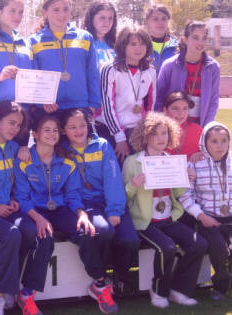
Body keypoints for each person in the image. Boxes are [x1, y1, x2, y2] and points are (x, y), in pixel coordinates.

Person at [14, 114, 118, 314]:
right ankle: (26, 295)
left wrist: (81, 214)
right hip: (35, 211)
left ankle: (99, 284)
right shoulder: (24, 160)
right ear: (34, 134)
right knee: (44, 237)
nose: (52, 134)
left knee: (86, 231)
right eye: (46, 130)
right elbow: (21, 198)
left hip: (61, 209)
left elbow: (72, 194)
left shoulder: (67, 161)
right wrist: (38, 218)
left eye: (55, 130)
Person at [0, 101, 54, 315]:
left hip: (7, 210)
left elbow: (16, 180)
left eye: (18, 125)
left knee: (36, 232)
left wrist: (12, 199)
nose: (15, 129)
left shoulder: (15, 149)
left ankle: (19, 290)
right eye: (11, 123)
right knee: (11, 235)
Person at [123, 112, 208, 308]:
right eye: (155, 134)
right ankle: (159, 290)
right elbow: (124, 198)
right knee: (166, 248)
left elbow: (177, 193)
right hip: (144, 222)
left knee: (199, 244)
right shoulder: (132, 162)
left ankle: (178, 290)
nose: (161, 138)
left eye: (165, 133)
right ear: (145, 137)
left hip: (168, 218)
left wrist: (186, 179)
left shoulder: (172, 160)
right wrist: (134, 185)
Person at [60, 108, 140, 293]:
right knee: (103, 231)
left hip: (111, 202)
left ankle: (120, 276)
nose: (79, 130)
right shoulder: (62, 150)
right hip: (87, 206)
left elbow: (112, 179)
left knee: (130, 241)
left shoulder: (102, 145)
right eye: (72, 127)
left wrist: (114, 210)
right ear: (63, 130)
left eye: (82, 125)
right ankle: (101, 279)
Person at [179, 121, 232, 301]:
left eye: (224, 141)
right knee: (220, 251)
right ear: (204, 143)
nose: (220, 146)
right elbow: (186, 196)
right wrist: (201, 216)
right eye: (214, 141)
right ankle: (220, 286)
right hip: (208, 220)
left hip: (229, 218)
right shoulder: (194, 164)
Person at [95, 26, 156, 165]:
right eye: (133, 44)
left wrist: (145, 130)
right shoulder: (110, 69)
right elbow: (107, 105)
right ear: (123, 45)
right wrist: (119, 137)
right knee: (118, 169)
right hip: (110, 129)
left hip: (137, 130)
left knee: (137, 170)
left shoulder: (150, 71)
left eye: (142, 44)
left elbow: (150, 103)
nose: (138, 48)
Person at [29, 0, 100, 116]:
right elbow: (33, 76)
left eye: (65, 9)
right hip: (49, 110)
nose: (62, 14)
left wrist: (93, 105)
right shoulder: (33, 41)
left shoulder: (85, 38)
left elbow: (93, 74)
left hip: (80, 107)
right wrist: (42, 102)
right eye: (56, 10)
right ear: (45, 12)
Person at [155, 21, 220, 127]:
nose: (200, 42)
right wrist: (162, 125)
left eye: (204, 38)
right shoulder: (169, 65)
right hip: (172, 126)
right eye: (195, 37)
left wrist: (206, 127)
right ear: (185, 40)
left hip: (200, 125)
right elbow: (159, 98)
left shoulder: (213, 68)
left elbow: (213, 101)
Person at [162, 91, 203, 160]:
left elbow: (211, 151)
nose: (181, 113)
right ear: (165, 110)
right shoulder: (157, 130)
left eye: (185, 108)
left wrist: (201, 154)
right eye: (175, 108)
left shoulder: (198, 130)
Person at [144, 4, 178, 74]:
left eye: (164, 19)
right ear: (147, 22)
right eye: (155, 19)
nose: (160, 22)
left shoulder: (178, 47)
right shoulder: (141, 46)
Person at [83, 0, 118, 68]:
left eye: (110, 18)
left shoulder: (117, 44)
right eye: (102, 18)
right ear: (91, 18)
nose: (107, 23)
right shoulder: (83, 42)